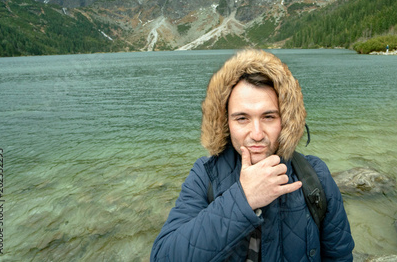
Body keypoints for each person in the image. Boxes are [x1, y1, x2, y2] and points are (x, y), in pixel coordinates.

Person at [150, 49, 354, 261]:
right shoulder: (205, 175)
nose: (257, 134)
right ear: (224, 123)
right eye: (242, 119)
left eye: (268, 117)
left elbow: (339, 255)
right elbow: (164, 255)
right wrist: (242, 199)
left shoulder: (314, 175)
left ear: (285, 120)